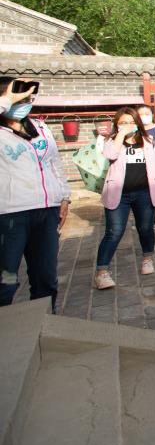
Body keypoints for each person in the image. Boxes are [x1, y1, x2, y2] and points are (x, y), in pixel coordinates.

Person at [0, 77, 71, 312]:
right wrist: (6, 100)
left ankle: (44, 321)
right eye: (19, 98)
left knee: (46, 278)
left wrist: (64, 196)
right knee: (6, 282)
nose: (25, 103)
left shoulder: (39, 127)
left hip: (46, 212)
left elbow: (54, 162)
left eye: (29, 99)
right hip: (10, 216)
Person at [93, 107, 155, 289]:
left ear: (137, 123)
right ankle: (102, 272)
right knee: (114, 232)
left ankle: (147, 258)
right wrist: (120, 135)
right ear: (116, 124)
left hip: (145, 192)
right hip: (119, 194)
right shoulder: (111, 141)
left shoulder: (149, 140)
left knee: (146, 228)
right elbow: (110, 155)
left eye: (131, 122)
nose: (128, 126)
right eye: (123, 123)